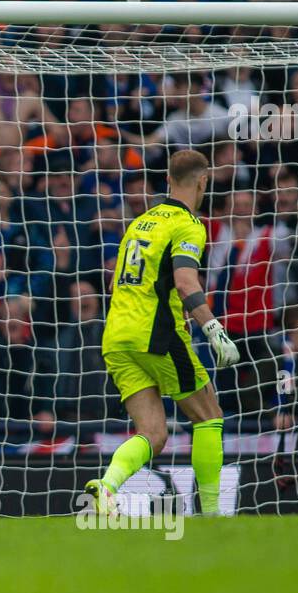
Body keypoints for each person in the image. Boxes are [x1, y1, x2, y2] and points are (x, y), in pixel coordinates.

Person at [90, 150, 239, 516]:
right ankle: (213, 513)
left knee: (153, 434)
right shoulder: (187, 224)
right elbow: (186, 282)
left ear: (168, 180)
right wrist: (212, 327)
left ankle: (106, 486)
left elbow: (116, 281)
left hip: (117, 335)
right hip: (155, 335)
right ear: (204, 181)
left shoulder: (141, 221)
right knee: (208, 415)